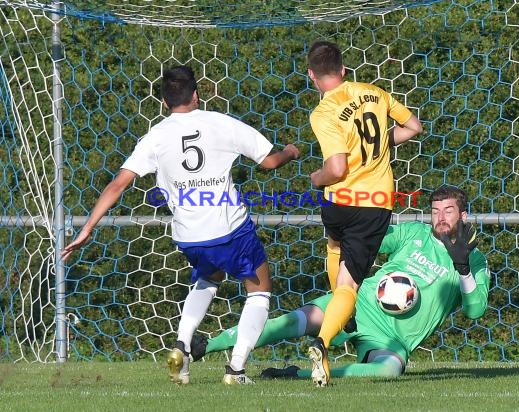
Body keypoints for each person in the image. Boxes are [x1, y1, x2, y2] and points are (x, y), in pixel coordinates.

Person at [61, 65, 300, 385]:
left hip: (189, 235)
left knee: (208, 278)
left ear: (163, 101)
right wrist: (290, 152)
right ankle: (237, 370)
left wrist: (87, 228)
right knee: (259, 291)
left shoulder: (156, 136)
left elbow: (118, 184)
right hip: (230, 228)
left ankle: (181, 346)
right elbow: (270, 161)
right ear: (197, 95)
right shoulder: (220, 122)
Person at [186, 186, 490, 381]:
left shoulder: (474, 261)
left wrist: (462, 268)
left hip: (391, 339)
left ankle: (298, 374)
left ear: (463, 215)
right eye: (435, 211)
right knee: (289, 323)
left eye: (448, 211)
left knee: (388, 371)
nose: (440, 218)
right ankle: (203, 345)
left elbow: (475, 312)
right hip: (357, 306)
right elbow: (372, 241)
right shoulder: (414, 233)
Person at [306, 40, 424, 386]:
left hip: (337, 202)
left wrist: (316, 177)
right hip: (374, 202)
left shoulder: (323, 112)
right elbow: (414, 126)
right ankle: (324, 340)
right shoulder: (375, 93)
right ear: (343, 69)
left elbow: (336, 168)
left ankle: (340, 321)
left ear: (312, 75)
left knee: (333, 246)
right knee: (350, 282)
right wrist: (383, 145)